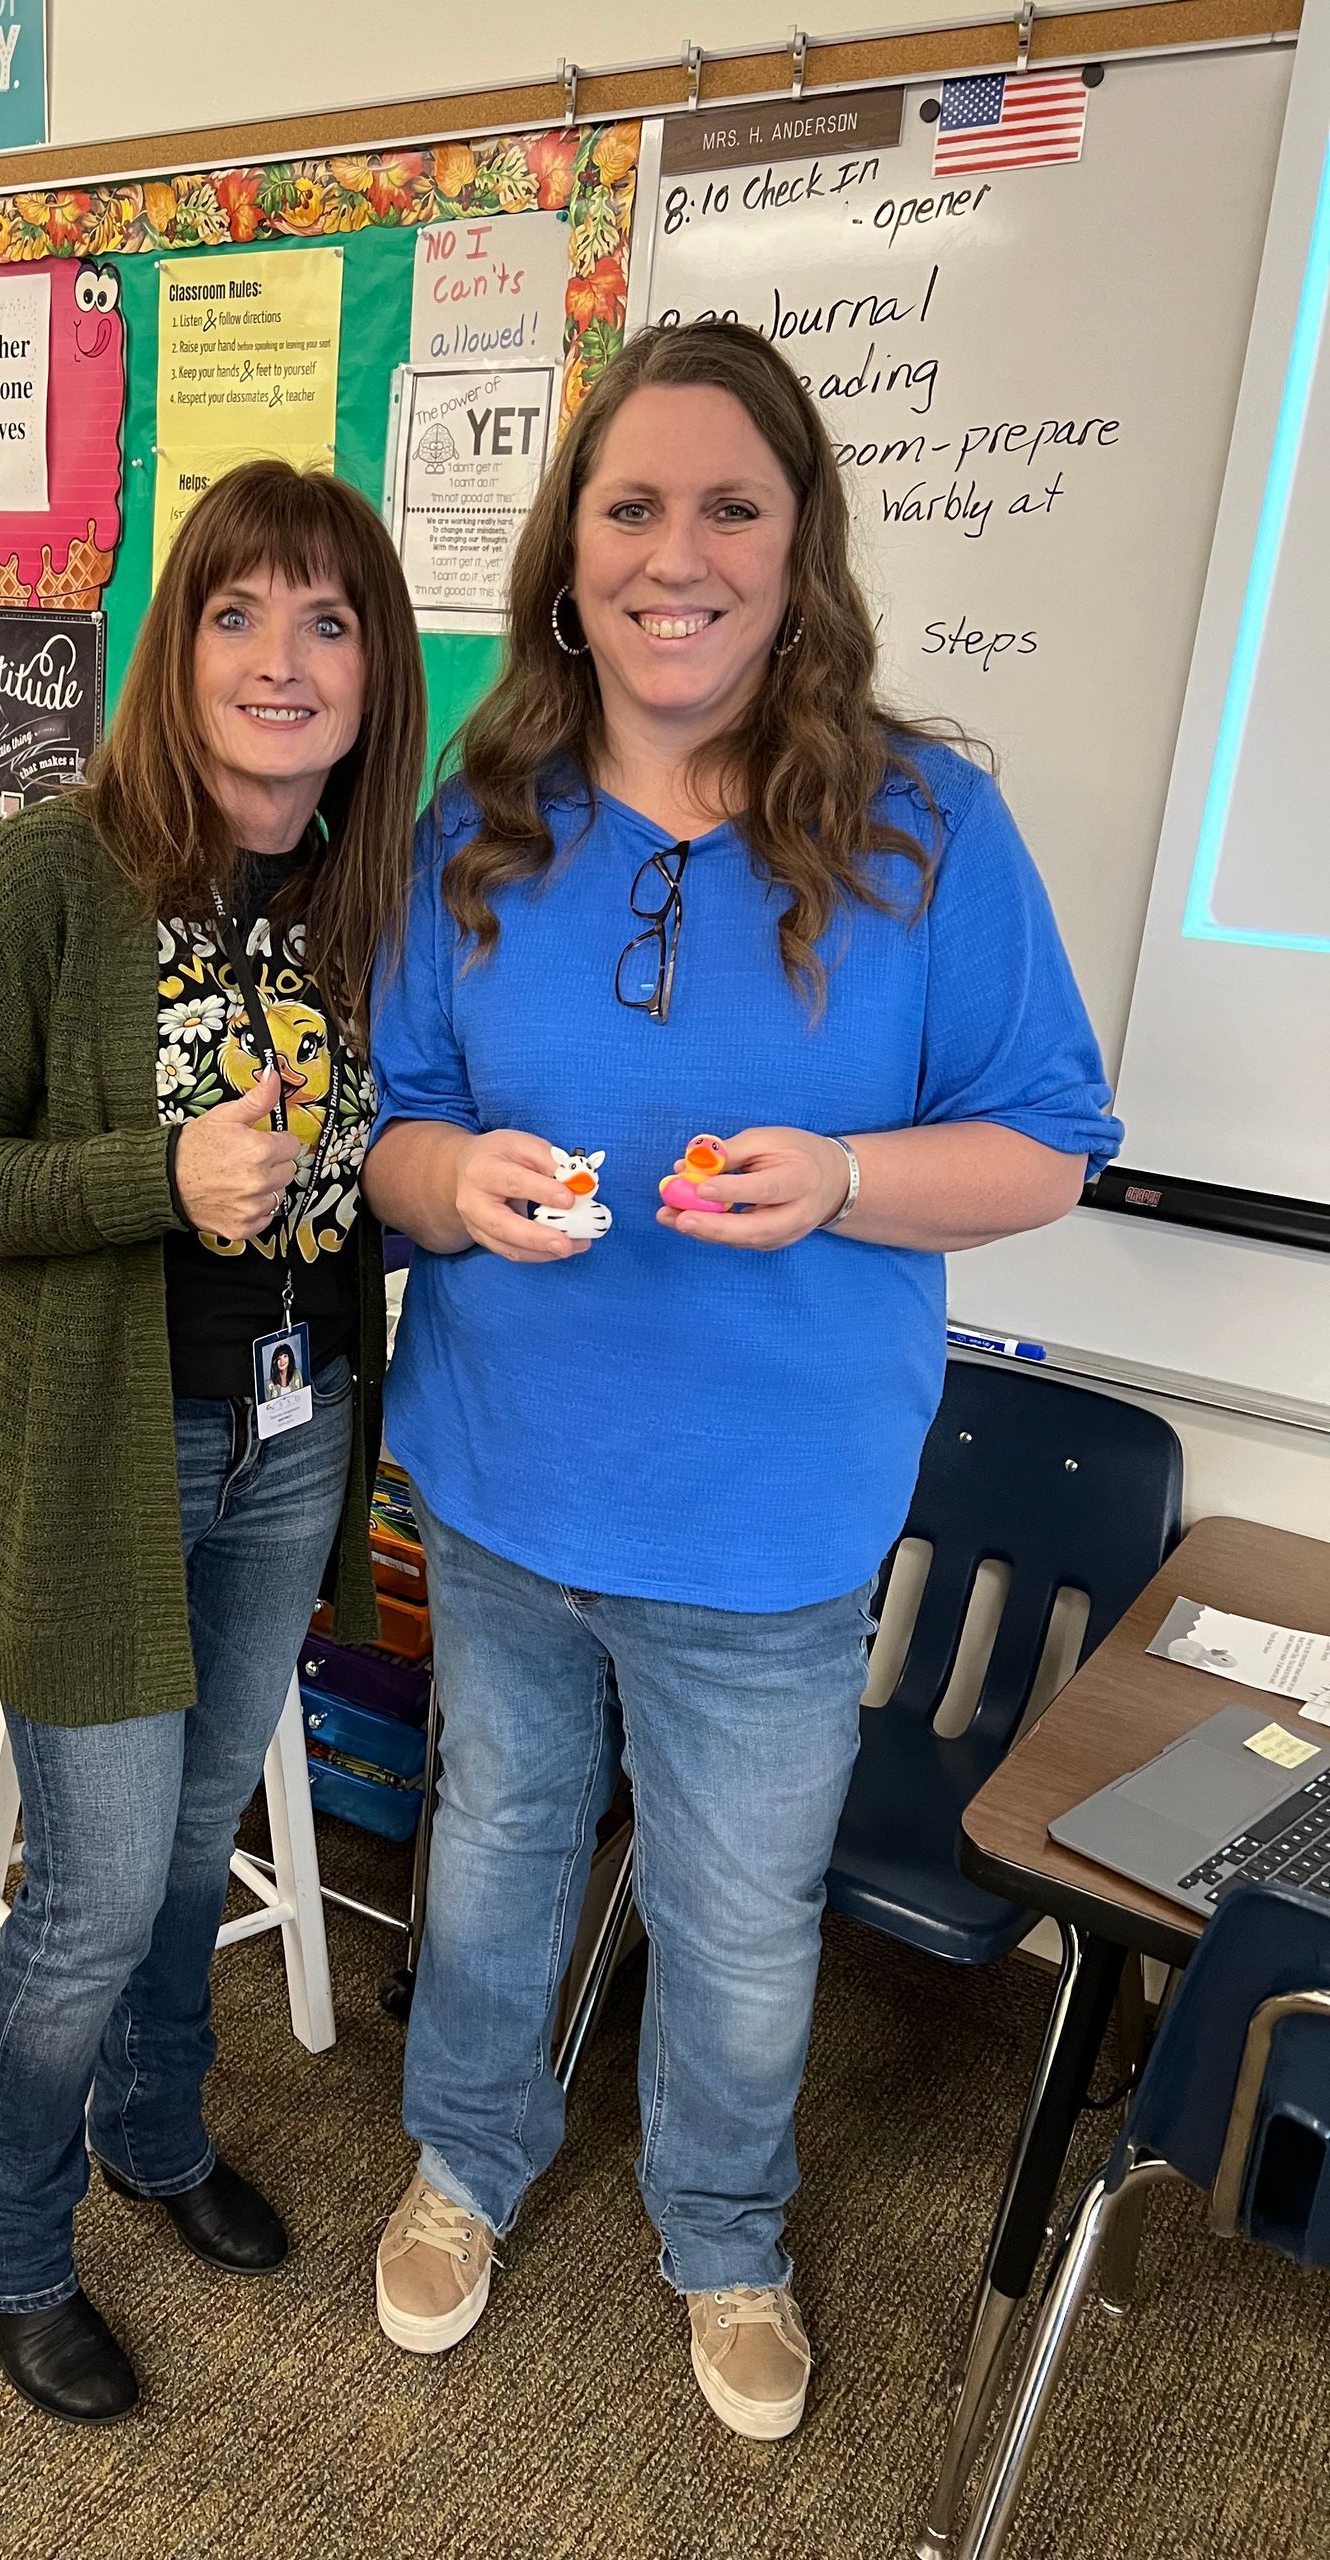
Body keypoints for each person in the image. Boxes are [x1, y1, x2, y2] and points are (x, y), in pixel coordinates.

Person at [361, 321, 1121, 2442]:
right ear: (568, 548)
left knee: (735, 1905)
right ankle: (466, 2158)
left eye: (728, 508)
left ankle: (724, 2222)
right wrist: (451, 1174)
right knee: (499, 1837)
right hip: (507, 1479)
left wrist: (855, 1174)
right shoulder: (478, 819)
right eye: (631, 506)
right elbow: (395, 1126)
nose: (673, 554)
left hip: (770, 1521)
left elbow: (1045, 1134)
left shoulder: (923, 826)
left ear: (799, 553)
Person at [0, 461, 425, 2426]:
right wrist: (149, 1174)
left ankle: (157, 2126)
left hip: (294, 1436)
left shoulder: (376, 892)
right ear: (174, 642)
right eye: (239, 612)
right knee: (97, 1884)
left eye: (330, 619)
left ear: (376, 670)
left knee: (195, 1839)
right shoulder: (57, 872)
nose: (282, 659)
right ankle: (7, 2231)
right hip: (100, 1453)